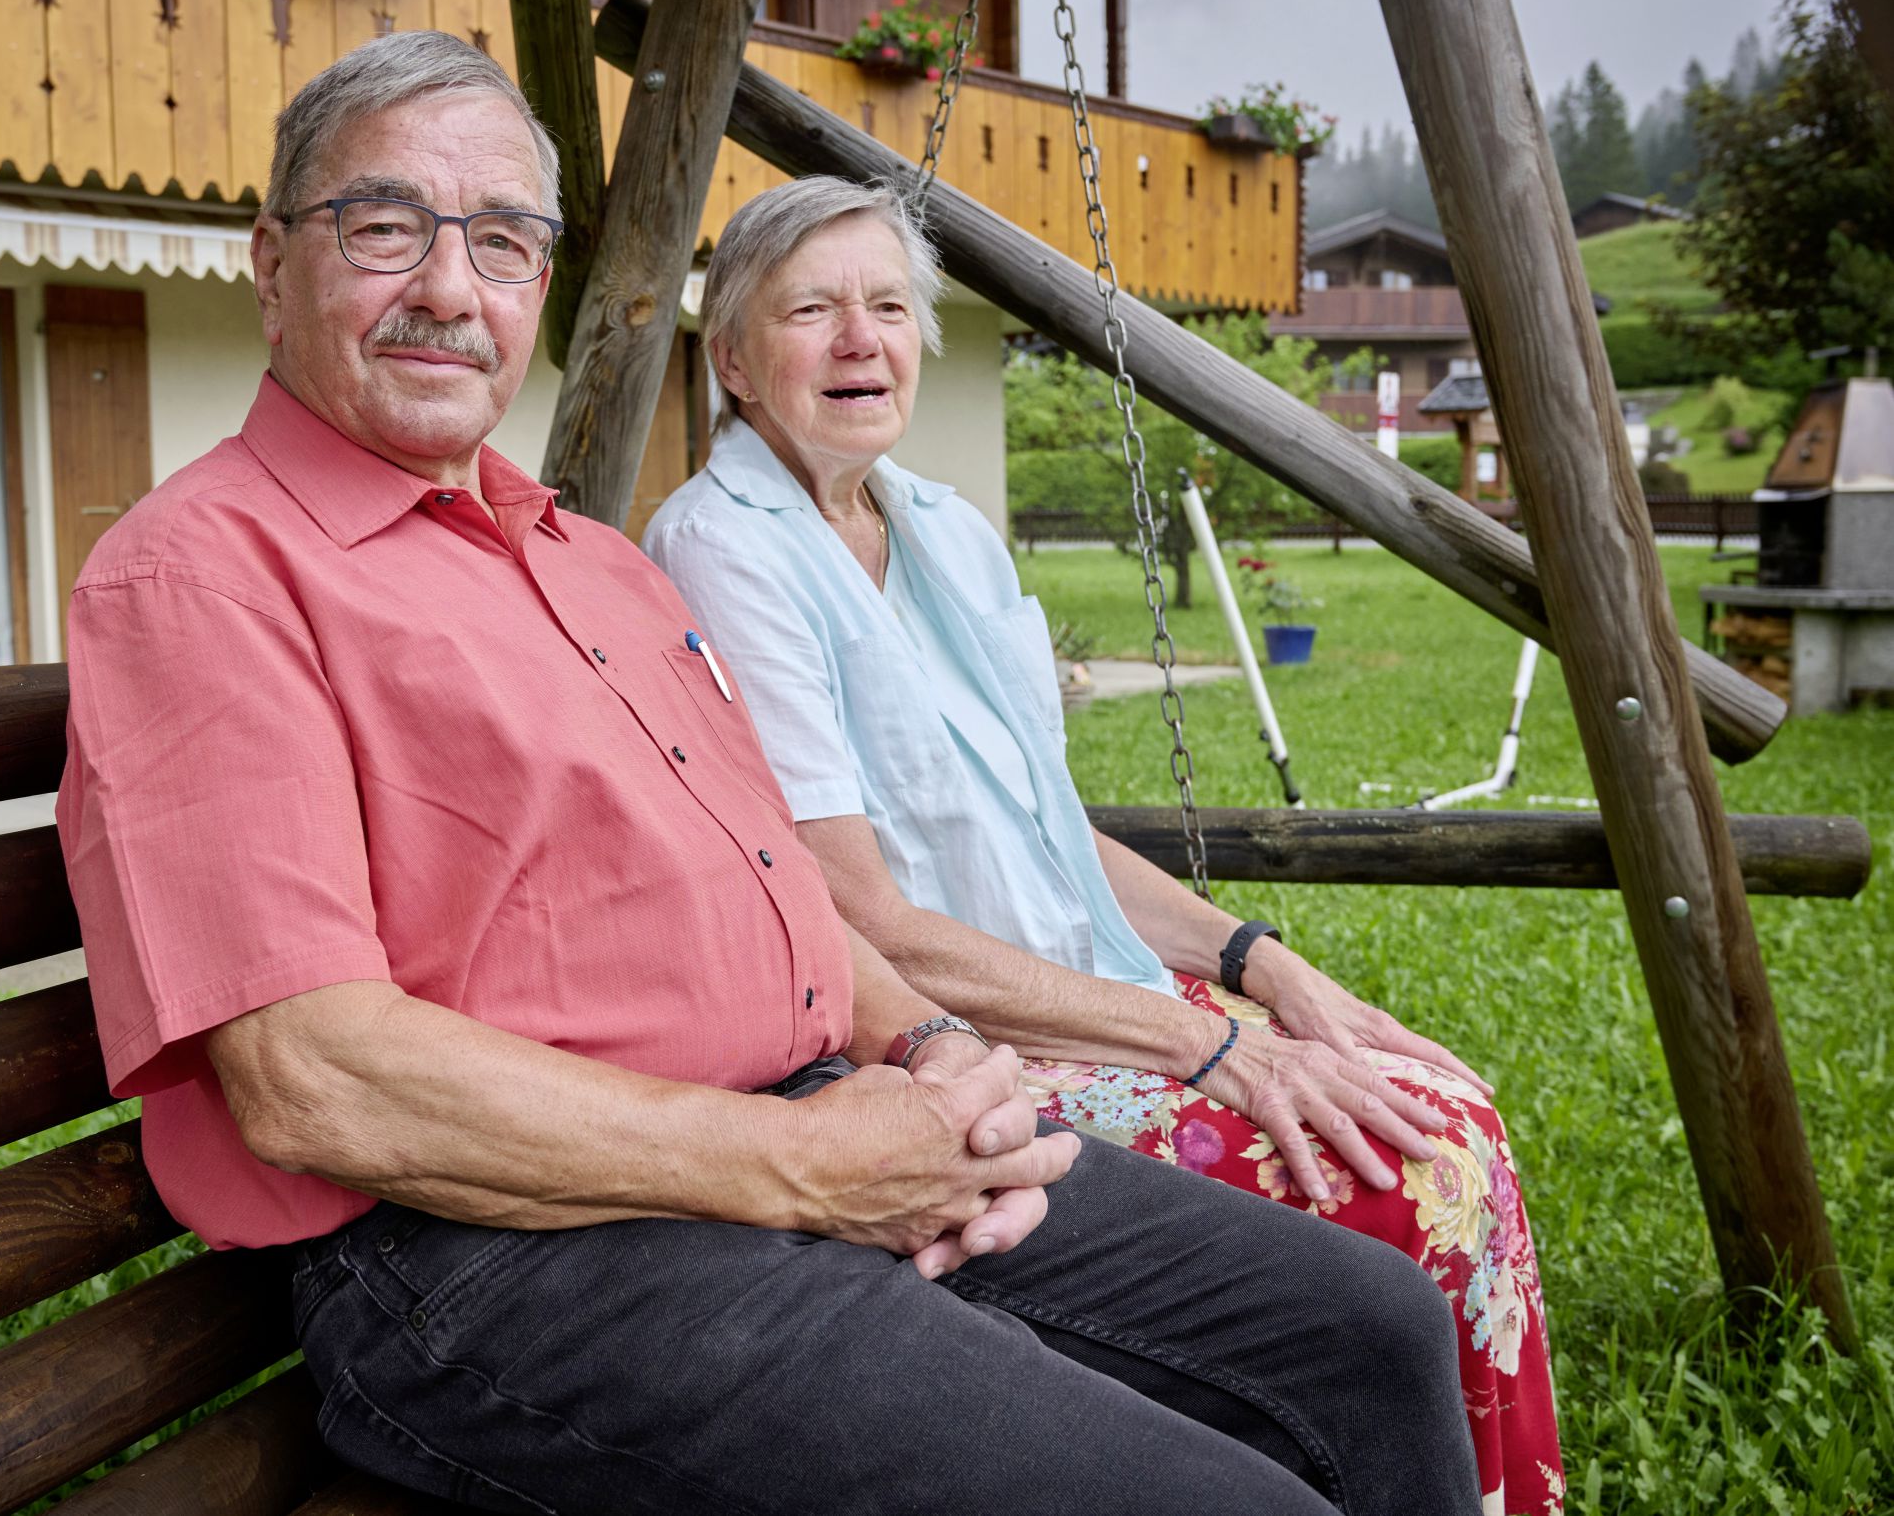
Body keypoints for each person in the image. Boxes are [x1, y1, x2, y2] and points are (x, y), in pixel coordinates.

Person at [59, 32, 1481, 1516]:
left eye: (499, 240)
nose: (446, 287)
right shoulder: (202, 577)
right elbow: (315, 1080)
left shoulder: (589, 562)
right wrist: (800, 1165)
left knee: (1369, 1327)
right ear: (272, 264)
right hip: (497, 1244)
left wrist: (933, 1051)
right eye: (384, 226)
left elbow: (783, 891)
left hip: (799, 1129)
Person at [643, 174, 1561, 1515]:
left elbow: (1049, 825)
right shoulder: (724, 548)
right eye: (813, 311)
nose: (862, 340)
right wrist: (1211, 1045)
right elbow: (870, 926)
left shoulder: (939, 527)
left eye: (889, 306)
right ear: (732, 358)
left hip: (1082, 989)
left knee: (1443, 1107)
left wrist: (1261, 967)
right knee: (1408, 1182)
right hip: (954, 1049)